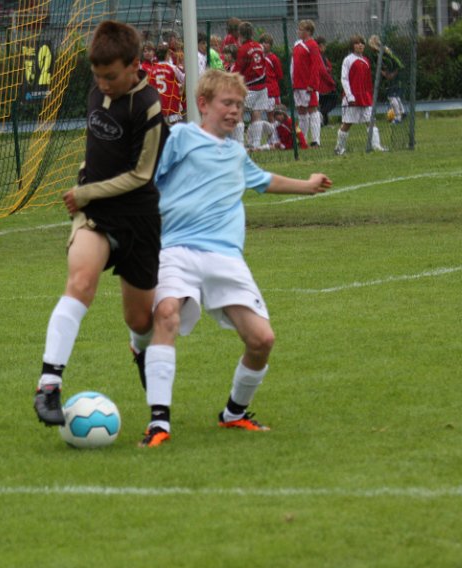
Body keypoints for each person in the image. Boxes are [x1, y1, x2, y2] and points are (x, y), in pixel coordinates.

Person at [138, 69, 331, 447]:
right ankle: (159, 423)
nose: (234, 111)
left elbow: (263, 180)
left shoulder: (236, 153)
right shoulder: (181, 138)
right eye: (227, 103)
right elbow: (145, 179)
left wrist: (307, 187)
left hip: (225, 257)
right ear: (203, 104)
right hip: (176, 249)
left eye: (239, 106)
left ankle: (234, 414)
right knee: (166, 314)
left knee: (262, 339)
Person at [33, 20, 168, 427]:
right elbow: (97, 148)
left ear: (134, 65)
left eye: (111, 76)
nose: (103, 84)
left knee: (140, 320)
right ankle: (49, 386)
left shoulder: (149, 106)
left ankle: (139, 349)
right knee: (81, 283)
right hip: (95, 216)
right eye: (97, 76)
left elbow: (143, 174)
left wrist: (87, 191)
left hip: (138, 218)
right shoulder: (96, 90)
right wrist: (84, 177)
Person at [335, 35, 386, 155]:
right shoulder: (348, 60)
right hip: (352, 97)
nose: (360, 45)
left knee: (371, 121)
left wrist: (369, 95)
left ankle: (376, 146)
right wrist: (349, 95)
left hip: (365, 97)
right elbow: (344, 79)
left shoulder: (366, 60)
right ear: (352, 46)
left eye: (362, 43)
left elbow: (368, 81)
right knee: (347, 123)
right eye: (357, 43)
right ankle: (339, 148)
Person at [235, 22, 269, 149]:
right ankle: (256, 143)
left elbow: (239, 68)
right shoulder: (259, 47)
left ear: (240, 34)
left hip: (249, 86)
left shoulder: (243, 49)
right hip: (262, 86)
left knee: (239, 113)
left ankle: (239, 143)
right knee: (257, 114)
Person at [291, 19, 324, 147]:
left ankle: (316, 140)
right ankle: (302, 139)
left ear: (308, 31)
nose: (298, 31)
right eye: (298, 29)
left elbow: (316, 65)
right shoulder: (297, 44)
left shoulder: (312, 45)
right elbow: (293, 65)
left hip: (308, 85)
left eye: (301, 29)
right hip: (297, 84)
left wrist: (313, 84)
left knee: (312, 110)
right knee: (301, 111)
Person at [369, 35, 405, 124]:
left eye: (371, 46)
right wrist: (383, 72)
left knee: (392, 97)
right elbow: (380, 67)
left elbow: (398, 64)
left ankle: (398, 117)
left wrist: (392, 74)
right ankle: (403, 112)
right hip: (391, 77)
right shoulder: (378, 54)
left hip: (395, 77)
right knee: (395, 96)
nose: (370, 48)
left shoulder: (385, 53)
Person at [148, 43, 186, 124]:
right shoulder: (172, 68)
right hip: (172, 105)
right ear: (167, 56)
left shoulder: (152, 70)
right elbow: (184, 79)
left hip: (159, 107)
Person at [315, 36, 339, 126]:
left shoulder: (322, 56)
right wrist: (332, 82)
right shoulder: (319, 56)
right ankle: (320, 115)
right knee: (333, 99)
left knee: (324, 102)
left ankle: (324, 122)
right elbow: (323, 71)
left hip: (323, 83)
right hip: (323, 84)